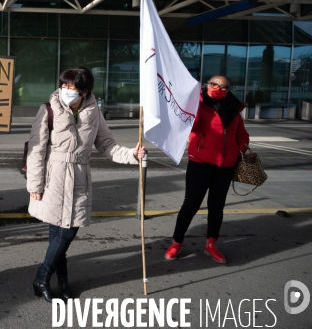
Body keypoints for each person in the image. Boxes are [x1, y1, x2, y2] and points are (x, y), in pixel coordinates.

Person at [26, 67, 146, 303]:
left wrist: (132, 154)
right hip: (54, 178)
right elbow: (36, 150)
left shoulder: (94, 112)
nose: (67, 91)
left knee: (65, 232)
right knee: (61, 233)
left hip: (80, 175)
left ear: (85, 91)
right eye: (65, 86)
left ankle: (55, 280)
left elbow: (107, 144)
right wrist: (35, 185)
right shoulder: (48, 110)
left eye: (73, 88)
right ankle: (45, 278)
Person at [164, 75, 249, 264]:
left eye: (223, 87)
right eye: (213, 84)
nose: (218, 88)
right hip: (200, 164)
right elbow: (191, 127)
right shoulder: (198, 104)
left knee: (217, 207)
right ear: (206, 85)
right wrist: (196, 105)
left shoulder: (234, 110)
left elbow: (242, 135)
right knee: (191, 205)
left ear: (229, 90)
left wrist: (239, 150)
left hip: (225, 167)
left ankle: (211, 244)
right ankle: (177, 242)